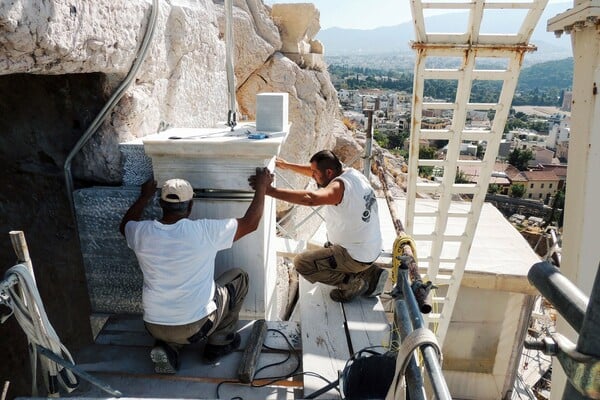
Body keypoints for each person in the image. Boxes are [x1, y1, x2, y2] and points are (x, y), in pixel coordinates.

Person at [119, 168, 272, 374]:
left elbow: (125, 225)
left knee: (178, 317)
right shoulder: (203, 231)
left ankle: (168, 346)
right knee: (238, 277)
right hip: (196, 327)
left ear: (161, 204)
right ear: (190, 206)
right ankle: (219, 342)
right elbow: (251, 223)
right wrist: (262, 187)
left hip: (153, 325)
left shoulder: (140, 232)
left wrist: (144, 196)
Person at [255, 150, 388, 303]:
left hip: (354, 255)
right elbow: (314, 171)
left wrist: (269, 190)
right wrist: (287, 165)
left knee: (302, 263)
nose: (313, 176)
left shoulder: (338, 188)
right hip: (371, 249)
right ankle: (370, 272)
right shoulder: (352, 174)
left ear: (329, 172)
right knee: (327, 246)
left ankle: (351, 282)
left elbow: (311, 199)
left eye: (315, 173)